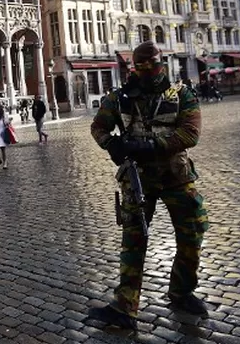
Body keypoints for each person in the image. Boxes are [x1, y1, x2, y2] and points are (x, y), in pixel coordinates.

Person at [88, 41, 208, 329]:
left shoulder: (181, 94)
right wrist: (113, 145)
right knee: (134, 241)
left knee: (193, 230)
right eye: (140, 67)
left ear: (161, 64)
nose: (147, 72)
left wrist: (151, 145)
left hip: (176, 176)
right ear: (133, 68)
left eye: (151, 66)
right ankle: (125, 305)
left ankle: (181, 291)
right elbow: (99, 127)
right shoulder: (119, 99)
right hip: (138, 178)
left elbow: (190, 133)